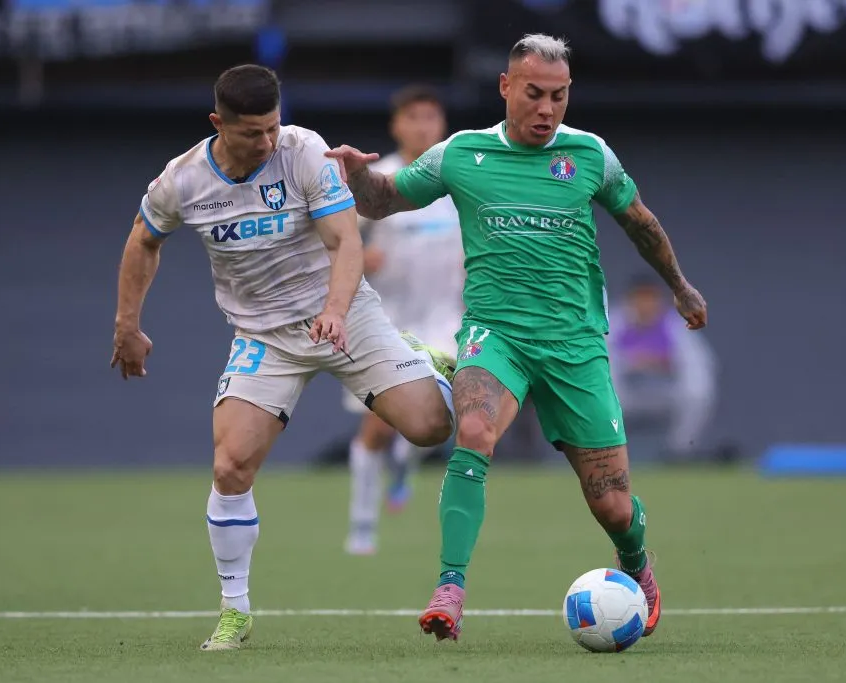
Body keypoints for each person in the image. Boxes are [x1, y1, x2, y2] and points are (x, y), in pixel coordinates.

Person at [326, 33, 708, 641]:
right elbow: (383, 201)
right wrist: (356, 177)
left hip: (575, 345)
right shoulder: (461, 155)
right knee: (472, 430)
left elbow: (642, 223)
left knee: (611, 503)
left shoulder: (590, 156)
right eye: (534, 94)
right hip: (494, 334)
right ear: (506, 87)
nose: (547, 109)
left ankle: (636, 562)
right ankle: (450, 588)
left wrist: (681, 286)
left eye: (558, 96)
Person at [110, 64, 458, 651]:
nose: (268, 142)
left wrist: (338, 310)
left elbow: (347, 241)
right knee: (230, 466)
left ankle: (420, 359)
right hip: (264, 336)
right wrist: (127, 325)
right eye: (252, 133)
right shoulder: (183, 180)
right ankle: (235, 611)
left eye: (273, 127)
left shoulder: (304, 152)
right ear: (218, 123)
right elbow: (144, 239)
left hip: (347, 316)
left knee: (431, 428)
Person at [343, 84, 464, 556]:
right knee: (376, 428)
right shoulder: (380, 179)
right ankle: (362, 526)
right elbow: (333, 240)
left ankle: (407, 461)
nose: (422, 126)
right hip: (386, 323)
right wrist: (359, 256)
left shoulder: (458, 177)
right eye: (412, 118)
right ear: (396, 125)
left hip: (447, 321)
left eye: (430, 117)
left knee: (445, 409)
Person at [608, 274, 718, 463]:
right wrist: (633, 362)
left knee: (697, 392)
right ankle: (605, 450)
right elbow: (600, 363)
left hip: (663, 393)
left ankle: (679, 451)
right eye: (640, 298)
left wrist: (661, 363)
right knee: (600, 391)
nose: (645, 305)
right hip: (623, 397)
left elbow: (700, 364)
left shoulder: (674, 325)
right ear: (629, 300)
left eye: (650, 298)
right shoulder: (612, 323)